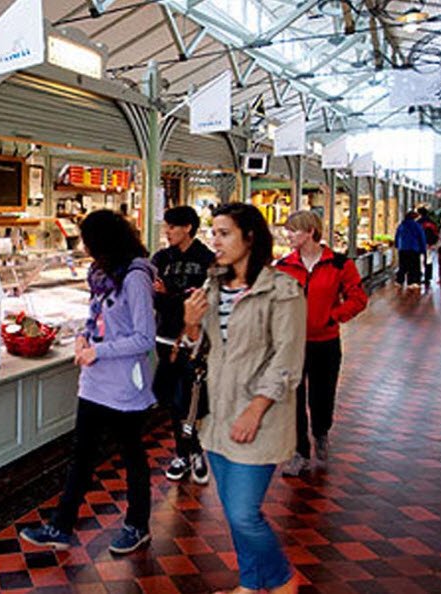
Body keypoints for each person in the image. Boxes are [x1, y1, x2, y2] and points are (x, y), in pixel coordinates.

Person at [182, 203, 305, 594]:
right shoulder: (212, 285)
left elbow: (287, 360)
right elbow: (197, 349)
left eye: (223, 233)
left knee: (243, 512)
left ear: (249, 237)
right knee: (235, 516)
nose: (214, 241)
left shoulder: (282, 290)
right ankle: (251, 585)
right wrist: (189, 322)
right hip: (217, 417)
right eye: (212, 232)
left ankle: (284, 581)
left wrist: (255, 409)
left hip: (259, 417)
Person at [21, 209, 156, 555]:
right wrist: (83, 339)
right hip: (94, 383)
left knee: (132, 458)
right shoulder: (99, 273)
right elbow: (94, 316)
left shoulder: (135, 277)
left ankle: (137, 525)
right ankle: (60, 526)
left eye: (88, 240)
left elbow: (144, 338)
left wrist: (100, 351)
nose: (84, 247)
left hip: (124, 385)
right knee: (80, 456)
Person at [275, 211, 367, 476]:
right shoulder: (284, 266)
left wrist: (333, 317)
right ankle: (300, 453)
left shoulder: (339, 264)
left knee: (322, 396)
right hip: (292, 345)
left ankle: (321, 431)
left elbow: (358, 298)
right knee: (293, 398)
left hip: (326, 343)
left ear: (310, 232)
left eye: (293, 230)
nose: (288, 235)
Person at [152, 206, 216, 484]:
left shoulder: (207, 259)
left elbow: (206, 304)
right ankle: (188, 453)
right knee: (174, 403)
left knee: (191, 400)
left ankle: (192, 452)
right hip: (165, 339)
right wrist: (179, 300)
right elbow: (154, 299)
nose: (167, 232)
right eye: (166, 227)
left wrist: (170, 296)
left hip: (197, 342)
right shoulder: (160, 258)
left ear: (188, 227)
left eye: (172, 227)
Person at [394, 211, 427, 289]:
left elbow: (397, 236)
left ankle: (399, 280)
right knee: (414, 266)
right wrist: (423, 249)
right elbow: (421, 237)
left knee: (402, 265)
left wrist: (397, 245)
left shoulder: (401, 225)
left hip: (403, 248)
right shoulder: (417, 226)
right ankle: (412, 282)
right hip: (414, 248)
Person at [417, 207, 439, 286]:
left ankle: (419, 276)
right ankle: (428, 277)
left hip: (419, 245)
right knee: (428, 261)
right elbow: (436, 233)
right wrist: (433, 243)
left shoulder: (419, 222)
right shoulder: (432, 222)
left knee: (419, 261)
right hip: (429, 245)